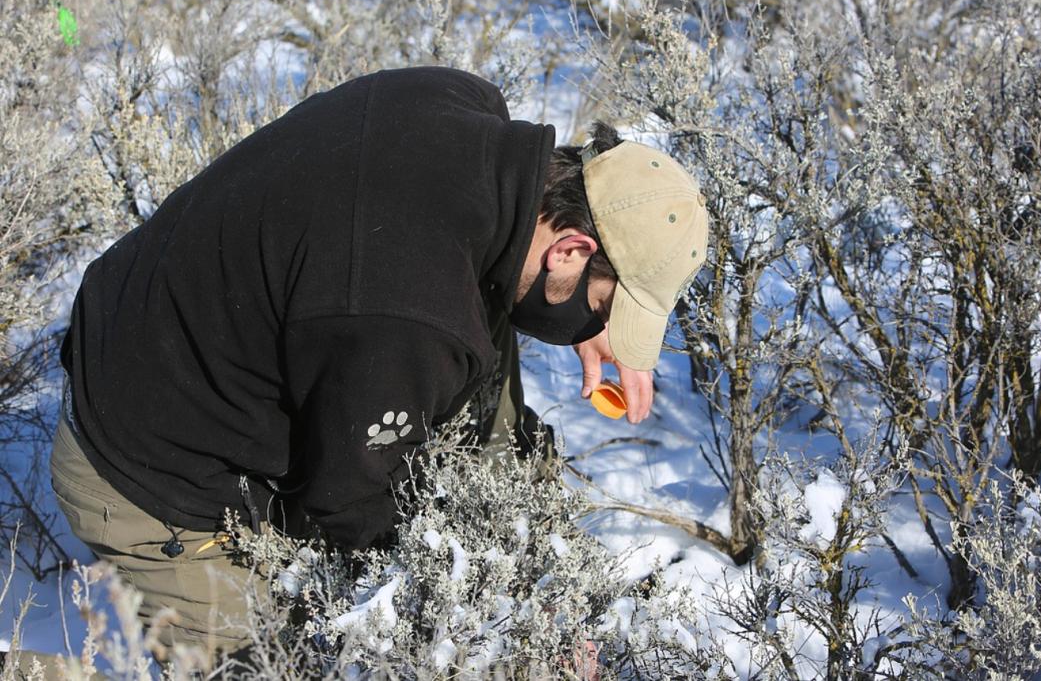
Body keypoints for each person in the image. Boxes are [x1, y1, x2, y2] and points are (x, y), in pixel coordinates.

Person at [50, 66, 708, 658]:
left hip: (146, 309)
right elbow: (349, 514)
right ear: (569, 248)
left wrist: (579, 312)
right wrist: (496, 624)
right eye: (604, 307)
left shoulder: (468, 108)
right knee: (279, 663)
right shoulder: (404, 317)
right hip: (142, 465)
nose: (596, 328)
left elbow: (449, 297)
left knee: (484, 334)